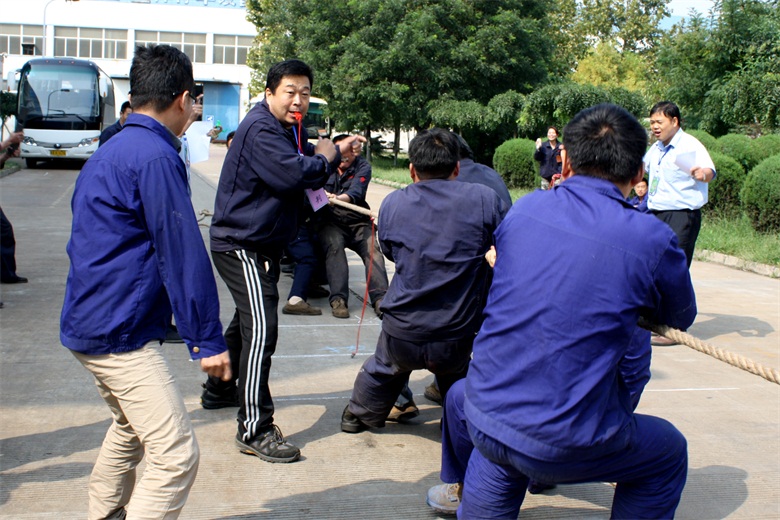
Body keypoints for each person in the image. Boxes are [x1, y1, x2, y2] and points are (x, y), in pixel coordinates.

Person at [446, 103, 696, 519]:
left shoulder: (525, 209)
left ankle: (471, 498)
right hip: (566, 441)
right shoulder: (651, 237)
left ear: (565, 162)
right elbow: (678, 317)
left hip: (488, 419)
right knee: (668, 450)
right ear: (639, 174)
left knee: (488, 427)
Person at [59, 44, 231, 519]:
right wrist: (206, 338)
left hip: (89, 320)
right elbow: (181, 252)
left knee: (130, 428)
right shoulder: (155, 157)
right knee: (175, 454)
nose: (194, 112)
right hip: (120, 335)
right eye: (195, 102)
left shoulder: (111, 150)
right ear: (183, 99)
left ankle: (105, 512)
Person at [206, 59, 365, 463]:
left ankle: (219, 388)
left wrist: (331, 150)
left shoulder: (289, 128)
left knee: (247, 322)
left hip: (263, 243)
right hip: (241, 243)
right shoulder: (260, 127)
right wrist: (326, 159)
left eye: (305, 93)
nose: (298, 101)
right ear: (269, 93)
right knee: (262, 328)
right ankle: (254, 428)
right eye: (290, 92)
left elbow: (303, 158)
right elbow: (293, 174)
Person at [340, 128, 506, 434]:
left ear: (411, 170)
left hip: (402, 330)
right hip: (456, 332)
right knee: (457, 374)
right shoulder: (484, 199)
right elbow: (504, 244)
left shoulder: (393, 202)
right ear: (457, 168)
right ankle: (460, 421)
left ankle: (357, 415)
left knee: (383, 367)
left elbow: (389, 251)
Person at [419, 134, 513, 407]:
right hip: (499, 272)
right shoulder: (491, 175)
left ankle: (401, 399)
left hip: (464, 279)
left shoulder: (447, 183)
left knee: (406, 323)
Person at [315, 133, 389, 319]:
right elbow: (311, 190)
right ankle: (338, 299)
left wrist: (337, 198)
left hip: (358, 222)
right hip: (331, 222)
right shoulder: (323, 166)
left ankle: (381, 298)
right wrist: (322, 198)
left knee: (373, 250)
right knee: (335, 246)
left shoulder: (363, 167)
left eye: (349, 151)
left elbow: (356, 191)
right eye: (340, 152)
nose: (344, 156)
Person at [645, 101, 716, 267]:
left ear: (674, 121)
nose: (655, 127)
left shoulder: (689, 145)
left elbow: (710, 171)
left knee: (674, 266)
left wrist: (702, 174)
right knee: (653, 265)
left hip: (681, 215)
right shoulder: (656, 148)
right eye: (652, 122)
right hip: (655, 213)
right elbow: (642, 168)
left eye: (659, 122)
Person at [534, 126, 562, 190]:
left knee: (556, 194)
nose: (551, 135)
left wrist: (559, 174)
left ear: (557, 135)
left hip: (557, 178)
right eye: (549, 133)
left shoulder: (560, 147)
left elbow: (561, 162)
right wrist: (538, 149)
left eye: (553, 133)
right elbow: (537, 158)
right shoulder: (543, 146)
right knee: (545, 195)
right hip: (545, 177)